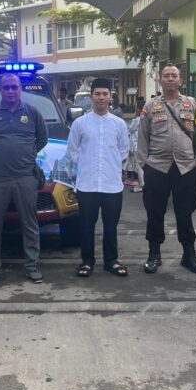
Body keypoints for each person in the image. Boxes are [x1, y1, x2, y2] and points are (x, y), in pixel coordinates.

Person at [0, 72, 48, 285]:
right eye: (6, 87)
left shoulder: (32, 113)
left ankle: (32, 266)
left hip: (26, 177)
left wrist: (25, 154)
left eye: (14, 87)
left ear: (20, 89)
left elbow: (42, 139)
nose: (10, 91)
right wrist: (0, 155)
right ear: (0, 90)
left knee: (30, 224)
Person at [136, 63, 196, 275]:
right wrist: (142, 166)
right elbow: (142, 137)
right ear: (160, 80)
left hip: (186, 167)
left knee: (185, 212)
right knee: (154, 212)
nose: (170, 79)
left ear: (180, 80)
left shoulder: (192, 104)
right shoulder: (150, 106)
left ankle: (189, 254)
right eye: (166, 75)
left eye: (174, 76)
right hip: (157, 167)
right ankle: (154, 254)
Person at [67, 78, 130, 277]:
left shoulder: (119, 124)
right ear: (91, 96)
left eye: (105, 94)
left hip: (112, 184)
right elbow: (73, 151)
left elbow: (124, 150)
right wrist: (87, 165)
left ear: (110, 97)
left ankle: (111, 260)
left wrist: (110, 166)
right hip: (87, 184)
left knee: (111, 225)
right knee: (87, 226)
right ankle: (87, 261)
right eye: (97, 94)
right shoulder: (80, 123)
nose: (101, 97)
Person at [126, 105, 144, 193]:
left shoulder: (136, 120)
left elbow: (131, 129)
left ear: (138, 109)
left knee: (138, 166)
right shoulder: (147, 118)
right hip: (144, 145)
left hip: (136, 145)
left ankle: (141, 185)